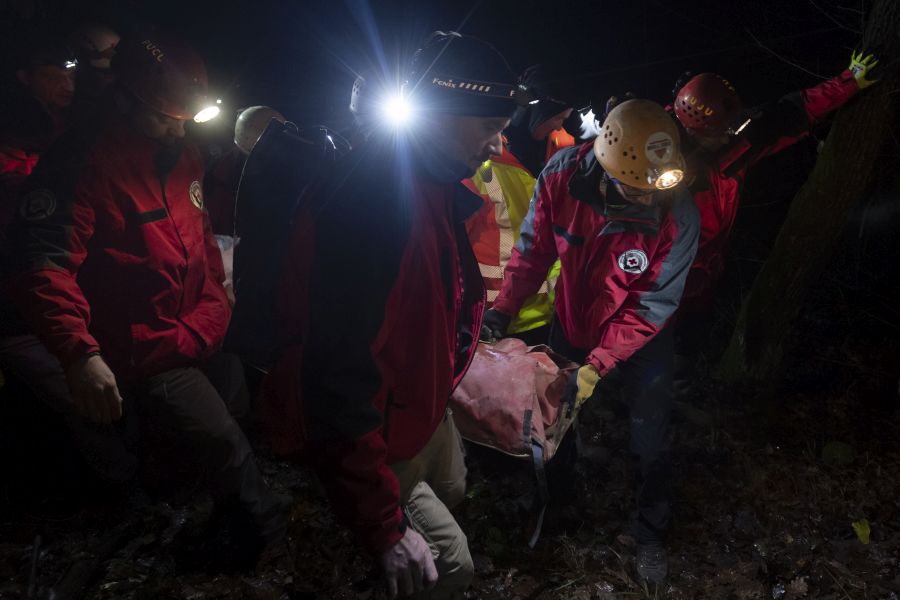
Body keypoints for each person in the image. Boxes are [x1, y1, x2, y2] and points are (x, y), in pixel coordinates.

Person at [7, 33, 285, 565]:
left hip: (201, 322)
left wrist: (219, 304)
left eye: (185, 118)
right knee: (220, 438)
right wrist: (78, 352)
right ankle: (261, 536)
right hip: (144, 339)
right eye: (164, 117)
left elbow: (200, 235)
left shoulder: (181, 151)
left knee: (233, 410)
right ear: (125, 100)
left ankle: (182, 498)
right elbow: (44, 264)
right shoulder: (82, 161)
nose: (177, 129)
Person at [264, 31, 523, 598]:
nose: (498, 144)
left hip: (418, 410)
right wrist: (385, 527)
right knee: (449, 568)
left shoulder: (430, 182)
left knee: (451, 487)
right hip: (377, 427)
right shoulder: (371, 200)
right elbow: (338, 370)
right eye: (487, 126)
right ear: (437, 115)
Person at [481, 98, 699, 584]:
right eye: (634, 188)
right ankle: (559, 503)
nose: (648, 198)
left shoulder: (677, 214)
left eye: (654, 188)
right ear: (606, 162)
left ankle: (649, 533)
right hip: (573, 319)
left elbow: (651, 306)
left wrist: (597, 367)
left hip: (642, 338)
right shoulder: (562, 176)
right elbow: (533, 250)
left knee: (649, 438)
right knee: (556, 421)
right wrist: (502, 311)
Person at [670, 50, 880, 386]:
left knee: (691, 334)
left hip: (705, 270)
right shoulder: (652, 152)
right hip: (659, 276)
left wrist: (849, 82)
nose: (728, 135)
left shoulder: (734, 143)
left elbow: (790, 113)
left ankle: (679, 381)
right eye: (719, 131)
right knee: (650, 338)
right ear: (693, 127)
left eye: (730, 127)